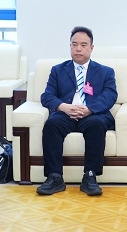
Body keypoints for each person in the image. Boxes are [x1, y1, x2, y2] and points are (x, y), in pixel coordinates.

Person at [37, 26, 118, 197]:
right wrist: (63, 107)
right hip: (65, 113)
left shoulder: (105, 71)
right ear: (70, 46)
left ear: (91, 48)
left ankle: (90, 177)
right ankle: (55, 177)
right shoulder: (58, 70)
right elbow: (47, 96)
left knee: (96, 125)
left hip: (92, 114)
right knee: (51, 124)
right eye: (74, 44)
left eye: (83, 45)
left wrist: (90, 109)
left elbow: (110, 95)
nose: (78, 49)